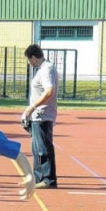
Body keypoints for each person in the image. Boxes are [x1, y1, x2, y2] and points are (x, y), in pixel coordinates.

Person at [23, 44, 59, 189]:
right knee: (37, 147)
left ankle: (48, 178)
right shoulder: (43, 69)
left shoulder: (46, 70)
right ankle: (39, 178)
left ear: (33, 57)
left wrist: (33, 106)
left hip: (43, 114)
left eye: (28, 60)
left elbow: (49, 91)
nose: (29, 63)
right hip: (38, 114)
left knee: (43, 147)